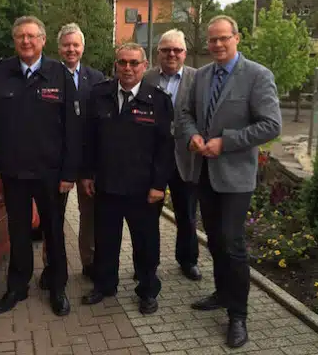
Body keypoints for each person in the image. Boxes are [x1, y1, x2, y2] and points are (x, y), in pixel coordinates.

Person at [177, 15, 282, 348]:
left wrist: (226, 141)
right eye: (212, 40)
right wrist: (193, 135)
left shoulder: (257, 76)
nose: (218, 45)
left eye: (224, 38)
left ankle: (238, 315)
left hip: (236, 177)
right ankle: (222, 294)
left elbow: (271, 125)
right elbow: (186, 114)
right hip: (204, 173)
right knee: (215, 240)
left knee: (233, 244)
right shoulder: (202, 76)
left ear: (237, 38)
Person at [0, 15, 80, 317]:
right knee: (19, 231)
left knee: (54, 232)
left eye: (32, 36)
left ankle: (58, 287)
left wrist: (68, 173)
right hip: (13, 173)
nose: (26, 41)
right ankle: (17, 286)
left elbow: (72, 130)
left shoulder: (59, 75)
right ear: (15, 40)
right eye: (21, 36)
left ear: (43, 40)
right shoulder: (0, 74)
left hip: (50, 174)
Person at [81, 43, 175, 315]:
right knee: (106, 241)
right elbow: (89, 140)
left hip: (143, 190)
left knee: (146, 245)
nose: (128, 68)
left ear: (145, 66)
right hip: (107, 186)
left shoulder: (158, 100)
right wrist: (87, 174)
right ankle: (104, 285)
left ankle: (147, 290)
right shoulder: (99, 95)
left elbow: (165, 148)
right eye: (122, 62)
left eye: (134, 63)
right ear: (116, 65)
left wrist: (159, 185)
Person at [39, 23, 105, 289]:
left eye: (76, 45)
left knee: (89, 216)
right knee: (53, 217)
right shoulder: (48, 76)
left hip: (87, 163)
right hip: (56, 163)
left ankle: (89, 263)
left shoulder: (96, 78)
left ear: (83, 47)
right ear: (59, 47)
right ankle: (51, 266)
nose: (71, 49)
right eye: (66, 45)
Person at [143, 29, 201, 281]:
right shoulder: (145, 78)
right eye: (166, 50)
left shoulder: (198, 80)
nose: (171, 54)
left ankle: (188, 260)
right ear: (158, 53)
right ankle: (147, 263)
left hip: (185, 158)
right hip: (153, 159)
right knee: (147, 216)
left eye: (177, 50)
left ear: (185, 53)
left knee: (186, 214)